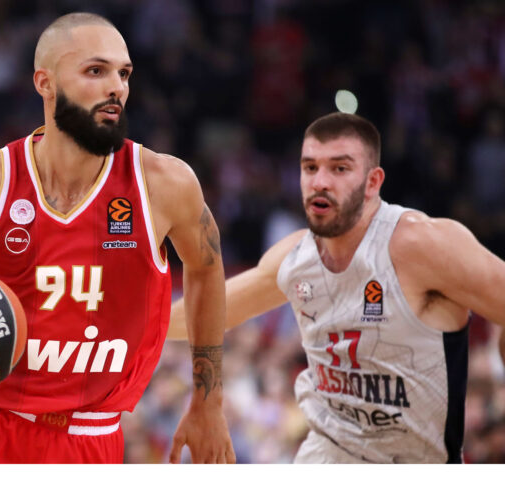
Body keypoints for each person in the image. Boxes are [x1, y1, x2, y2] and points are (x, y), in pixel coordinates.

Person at [0, 12, 235, 464]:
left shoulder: (164, 184)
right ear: (45, 82)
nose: (117, 86)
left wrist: (208, 403)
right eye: (96, 70)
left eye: (124, 73)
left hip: (85, 441)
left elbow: (206, 268)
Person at [169, 112, 505, 463]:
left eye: (339, 168)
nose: (320, 182)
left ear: (373, 182)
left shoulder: (424, 244)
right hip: (324, 455)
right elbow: (207, 314)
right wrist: (134, 320)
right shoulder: (295, 257)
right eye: (310, 167)